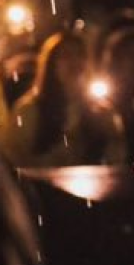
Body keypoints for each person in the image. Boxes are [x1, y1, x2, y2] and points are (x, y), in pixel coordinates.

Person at [0, 32, 124, 167]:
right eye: (66, 56)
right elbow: (12, 160)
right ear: (51, 64)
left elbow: (116, 158)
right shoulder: (29, 112)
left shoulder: (102, 112)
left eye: (80, 55)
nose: (74, 62)